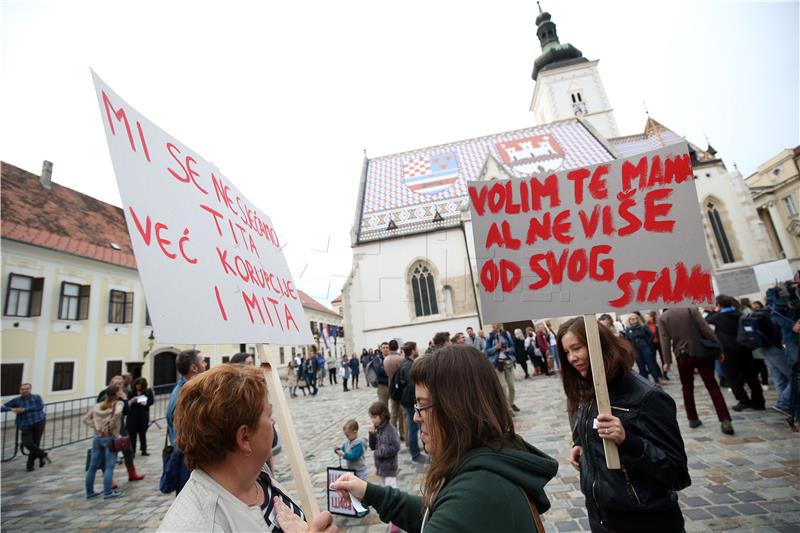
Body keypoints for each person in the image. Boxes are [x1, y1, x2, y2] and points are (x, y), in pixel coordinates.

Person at [331, 345, 557, 532]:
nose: (417, 417)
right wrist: (370, 492)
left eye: (423, 405)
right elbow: (435, 515)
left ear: (457, 408)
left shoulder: (476, 494)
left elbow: (451, 516)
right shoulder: (485, 461)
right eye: (416, 405)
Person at [157, 364, 336, 532]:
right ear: (244, 437)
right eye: (269, 414)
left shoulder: (255, 475)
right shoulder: (198, 526)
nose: (273, 422)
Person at [558, 317, 690, 532]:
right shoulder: (585, 389)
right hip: (601, 517)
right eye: (566, 352)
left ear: (599, 344)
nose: (572, 358)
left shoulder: (647, 396)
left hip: (645, 521)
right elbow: (590, 428)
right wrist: (581, 443)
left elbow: (677, 474)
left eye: (577, 348)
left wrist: (628, 441)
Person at [658, 307, 734, 434]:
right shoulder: (690, 309)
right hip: (701, 351)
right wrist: (719, 348)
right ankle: (725, 419)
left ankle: (692, 418)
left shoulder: (663, 317)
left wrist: (667, 361)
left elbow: (664, 340)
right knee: (712, 385)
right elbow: (706, 329)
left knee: (687, 387)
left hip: (682, 355)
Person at [707, 295, 765, 411]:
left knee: (733, 378)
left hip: (729, 352)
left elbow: (707, 320)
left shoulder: (718, 317)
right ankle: (759, 402)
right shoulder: (740, 314)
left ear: (719, 305)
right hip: (745, 349)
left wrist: (713, 311)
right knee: (751, 377)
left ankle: (743, 400)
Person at [166, 349, 207, 494]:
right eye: (202, 361)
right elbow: (185, 437)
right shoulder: (184, 396)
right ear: (194, 368)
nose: (205, 364)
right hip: (189, 464)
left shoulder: (189, 391)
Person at [97, 376, 145, 482]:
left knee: (128, 450)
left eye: (120, 384)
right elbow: (99, 409)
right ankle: (109, 480)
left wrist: (124, 399)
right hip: (107, 429)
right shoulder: (104, 395)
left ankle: (132, 474)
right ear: (111, 384)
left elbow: (127, 411)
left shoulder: (123, 395)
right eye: (115, 383)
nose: (118, 385)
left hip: (121, 428)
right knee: (108, 454)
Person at [83, 384, 124, 499]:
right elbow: (117, 414)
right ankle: (108, 492)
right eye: (119, 391)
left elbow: (85, 419)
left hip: (98, 438)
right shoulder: (118, 404)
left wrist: (97, 428)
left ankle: (89, 492)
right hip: (110, 437)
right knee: (109, 466)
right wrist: (110, 428)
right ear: (116, 393)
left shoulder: (98, 406)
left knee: (93, 466)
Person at [2, 383, 49, 472]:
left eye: (27, 389)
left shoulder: (36, 397)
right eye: (23, 389)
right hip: (25, 424)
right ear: (20, 390)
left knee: (36, 443)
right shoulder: (16, 400)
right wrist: (12, 409)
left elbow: (40, 406)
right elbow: (2, 407)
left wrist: (24, 409)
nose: (25, 390)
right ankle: (42, 455)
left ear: (30, 389)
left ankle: (29, 465)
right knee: (27, 443)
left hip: (39, 421)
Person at [396, 341, 427, 463]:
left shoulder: (406, 362)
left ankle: (415, 449)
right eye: (416, 348)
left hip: (407, 399)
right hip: (410, 401)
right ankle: (415, 453)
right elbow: (412, 385)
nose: (418, 349)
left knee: (413, 426)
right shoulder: (408, 365)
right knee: (413, 427)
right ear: (413, 350)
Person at [367, 400, 400, 489]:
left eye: (374, 417)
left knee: (391, 490)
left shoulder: (390, 430)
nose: (372, 420)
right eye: (371, 417)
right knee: (384, 490)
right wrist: (372, 435)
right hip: (380, 467)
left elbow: (396, 447)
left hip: (389, 468)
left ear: (382, 415)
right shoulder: (378, 429)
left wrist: (381, 452)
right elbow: (372, 447)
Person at [624, 314, 665, 385]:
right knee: (641, 367)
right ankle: (645, 383)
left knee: (651, 365)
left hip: (645, 349)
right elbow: (627, 339)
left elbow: (651, 335)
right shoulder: (628, 329)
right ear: (629, 320)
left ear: (637, 319)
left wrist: (647, 343)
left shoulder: (643, 327)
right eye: (631, 319)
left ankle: (657, 381)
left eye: (634, 318)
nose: (633, 320)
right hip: (636, 351)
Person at [486, 324, 519, 412]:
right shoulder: (489, 336)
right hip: (497, 363)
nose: (493, 326)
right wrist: (495, 348)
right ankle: (508, 409)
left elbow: (513, 347)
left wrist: (509, 350)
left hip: (508, 362)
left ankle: (511, 403)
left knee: (511, 386)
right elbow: (487, 351)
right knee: (503, 386)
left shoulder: (506, 334)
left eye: (495, 324)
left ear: (499, 325)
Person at [384, 339, 406, 442]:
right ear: (397, 347)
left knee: (394, 413)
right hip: (401, 389)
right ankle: (402, 433)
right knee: (402, 413)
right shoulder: (400, 359)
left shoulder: (386, 359)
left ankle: (393, 435)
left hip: (391, 387)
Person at [127, 377, 153, 456]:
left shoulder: (148, 392)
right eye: (137, 385)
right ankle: (132, 451)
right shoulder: (131, 392)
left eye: (140, 385)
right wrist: (131, 401)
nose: (138, 387)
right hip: (132, 416)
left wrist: (140, 401)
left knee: (142, 433)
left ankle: (143, 449)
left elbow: (150, 401)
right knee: (132, 434)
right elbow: (127, 403)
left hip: (143, 415)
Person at [644, 312, 669, 380]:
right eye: (645, 317)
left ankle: (665, 373)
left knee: (663, 359)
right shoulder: (645, 326)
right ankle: (659, 374)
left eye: (647, 317)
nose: (645, 318)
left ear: (651, 317)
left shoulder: (658, 324)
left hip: (660, 344)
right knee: (653, 360)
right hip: (652, 344)